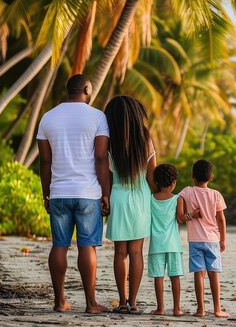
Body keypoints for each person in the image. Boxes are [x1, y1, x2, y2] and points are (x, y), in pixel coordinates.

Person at [37, 74, 110, 314]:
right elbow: (101, 158)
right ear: (87, 89)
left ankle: (59, 302)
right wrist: (106, 193)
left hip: (59, 192)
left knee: (59, 245)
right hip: (88, 192)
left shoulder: (48, 117)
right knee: (87, 247)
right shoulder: (98, 116)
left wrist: (46, 193)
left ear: (68, 90)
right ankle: (90, 304)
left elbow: (45, 161)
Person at [104, 95, 156, 313]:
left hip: (118, 196)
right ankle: (133, 303)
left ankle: (122, 301)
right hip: (140, 198)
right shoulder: (145, 139)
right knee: (136, 253)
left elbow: (105, 175)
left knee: (120, 253)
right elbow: (152, 178)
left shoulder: (109, 141)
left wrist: (104, 197)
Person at [179, 159, 229, 318]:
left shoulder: (186, 192)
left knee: (198, 274)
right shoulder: (216, 195)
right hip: (213, 240)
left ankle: (200, 310)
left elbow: (180, 216)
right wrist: (223, 239)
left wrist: (191, 215)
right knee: (214, 273)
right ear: (212, 177)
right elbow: (221, 219)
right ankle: (217, 309)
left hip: (195, 240)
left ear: (192, 176)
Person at [149, 164, 199, 317]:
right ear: (174, 182)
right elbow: (180, 219)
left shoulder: (150, 199)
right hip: (173, 244)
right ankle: (177, 309)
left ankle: (160, 308)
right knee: (175, 277)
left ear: (157, 182)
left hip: (156, 244)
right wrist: (193, 215)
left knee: (159, 277)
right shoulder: (177, 199)